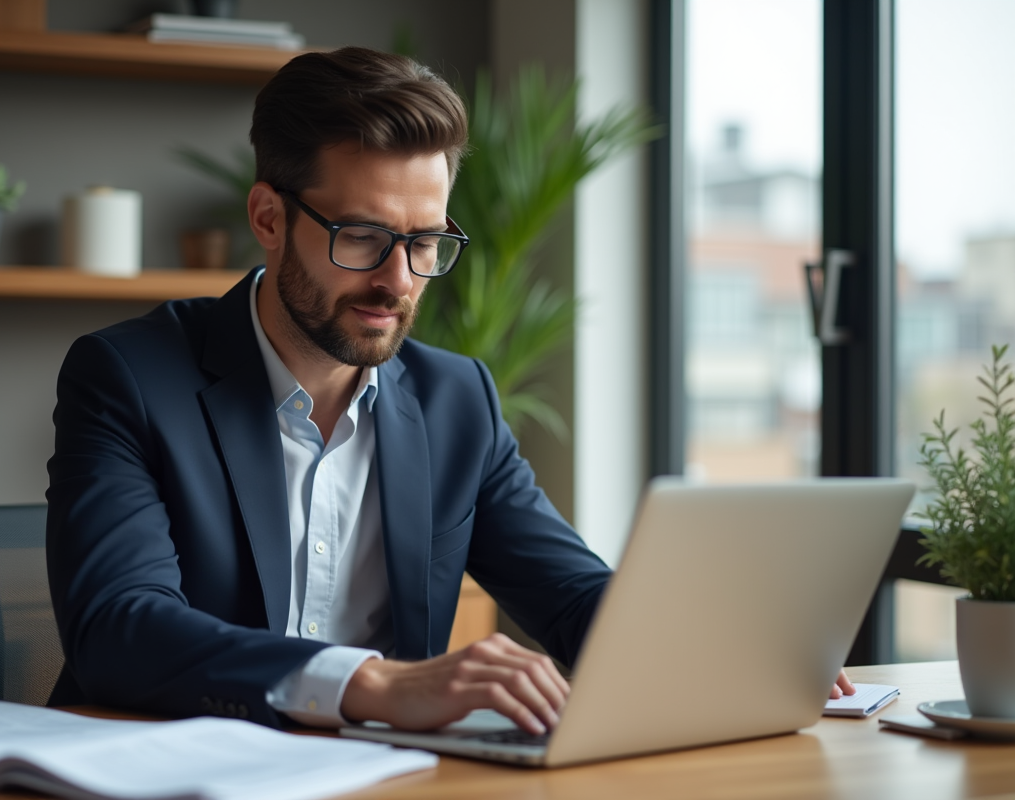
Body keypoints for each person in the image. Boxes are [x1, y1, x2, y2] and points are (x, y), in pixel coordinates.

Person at [45, 46, 854, 736]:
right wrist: (374, 684)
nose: (399, 281)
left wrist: (731, 651)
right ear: (267, 216)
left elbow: (571, 595)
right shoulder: (129, 376)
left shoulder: (454, 398)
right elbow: (120, 628)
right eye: (362, 236)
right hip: (163, 771)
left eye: (425, 241)